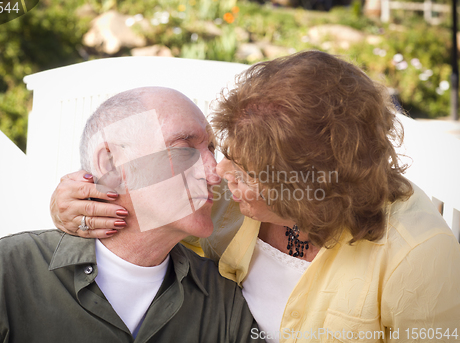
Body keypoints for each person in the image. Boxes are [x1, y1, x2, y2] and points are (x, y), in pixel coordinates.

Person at [50, 51, 460, 342]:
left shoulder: (418, 254)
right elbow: (143, 227)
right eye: (226, 151)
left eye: (250, 171)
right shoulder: (228, 201)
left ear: (306, 187)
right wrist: (81, 204)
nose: (218, 173)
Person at [0, 87, 264, 343]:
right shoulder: (0, 276)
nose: (215, 173)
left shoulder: (224, 302)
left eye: (211, 148)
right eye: (185, 147)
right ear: (109, 162)